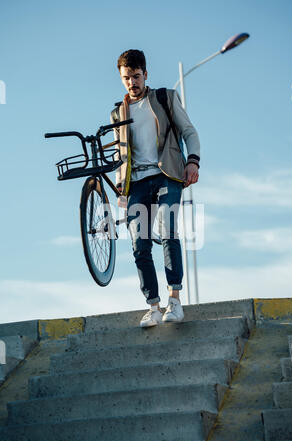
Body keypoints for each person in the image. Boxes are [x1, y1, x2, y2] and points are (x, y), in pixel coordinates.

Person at [110, 49, 200, 328]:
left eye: (136, 77)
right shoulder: (117, 113)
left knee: (168, 230)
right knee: (140, 245)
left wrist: (193, 162)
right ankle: (153, 306)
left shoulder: (165, 98)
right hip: (136, 182)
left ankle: (175, 299)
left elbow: (190, 132)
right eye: (126, 78)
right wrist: (119, 187)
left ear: (145, 74)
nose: (131, 83)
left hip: (167, 175)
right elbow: (118, 154)